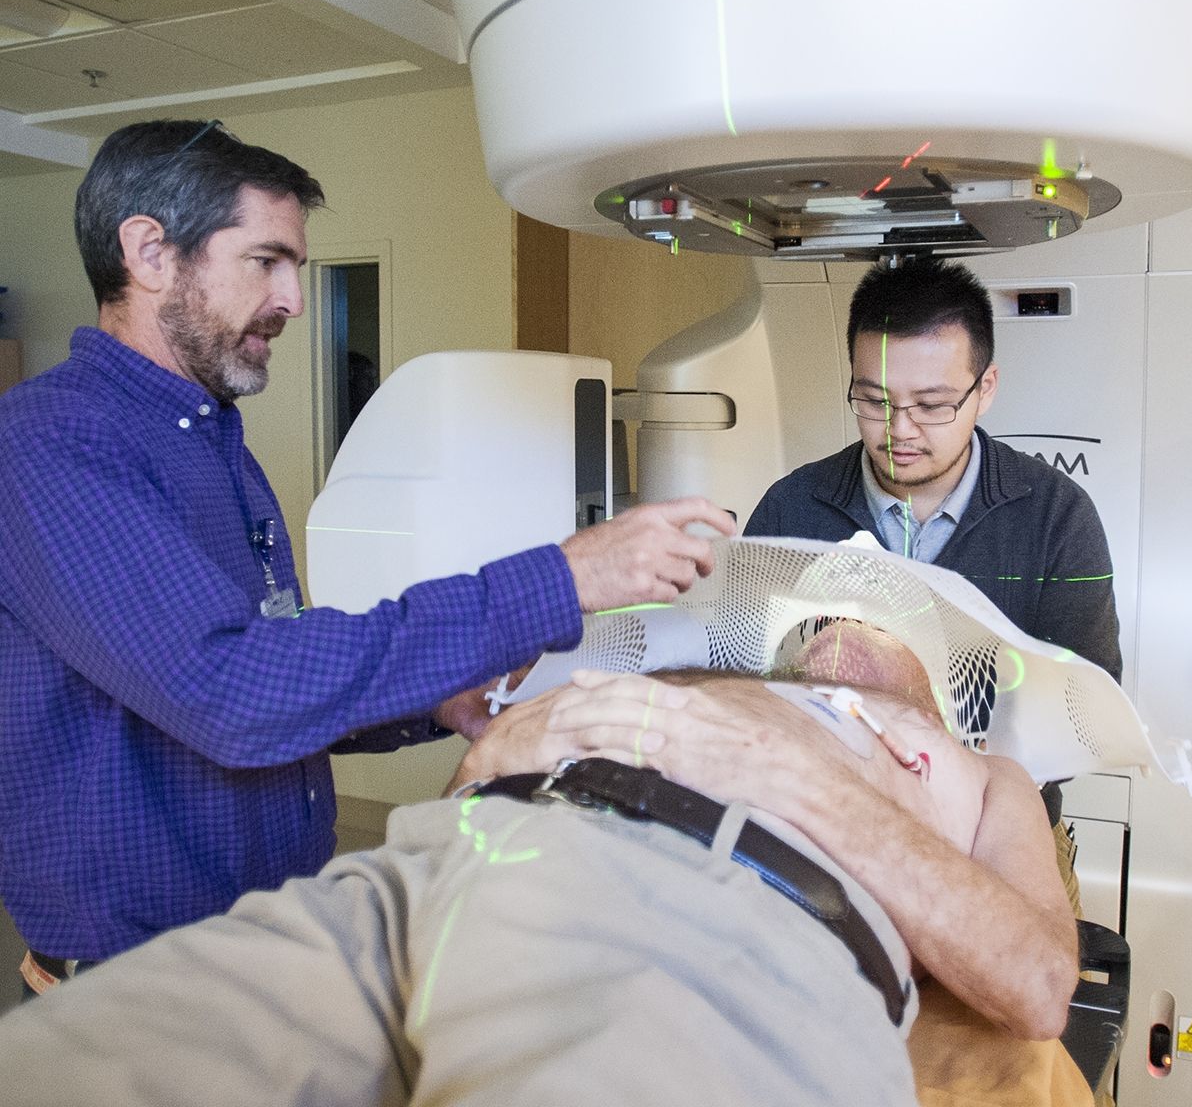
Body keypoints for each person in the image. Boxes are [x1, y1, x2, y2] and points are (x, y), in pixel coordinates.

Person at [0, 118, 736, 980]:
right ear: (151, 252)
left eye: (297, 269)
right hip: (147, 983)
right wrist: (564, 576)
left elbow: (282, 675)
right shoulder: (51, 446)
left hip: (265, 940)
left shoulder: (209, 440)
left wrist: (433, 704)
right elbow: (232, 693)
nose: (294, 301)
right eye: (266, 261)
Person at [0, 619, 1079, 1107]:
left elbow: (1035, 982)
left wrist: (790, 776)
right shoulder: (701, 676)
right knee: (81, 1063)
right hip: (439, 873)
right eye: (819, 620)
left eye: (882, 619)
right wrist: (484, 767)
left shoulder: (976, 779)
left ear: (927, 701)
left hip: (714, 926)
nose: (843, 620)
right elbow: (472, 784)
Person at [742, 258, 1121, 902]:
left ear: (987, 387)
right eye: (873, 401)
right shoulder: (791, 510)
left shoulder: (1057, 516)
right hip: (827, 835)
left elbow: (1089, 716)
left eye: (934, 405)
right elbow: (744, 682)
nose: (900, 431)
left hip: (1000, 835)